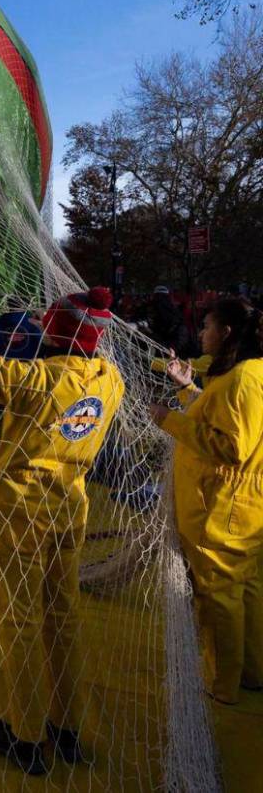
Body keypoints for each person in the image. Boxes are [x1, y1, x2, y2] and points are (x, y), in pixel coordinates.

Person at [0, 287, 124, 775]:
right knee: (64, 615)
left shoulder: (32, 378)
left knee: (20, 619)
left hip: (21, 511)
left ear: (53, 332)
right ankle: (69, 727)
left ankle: (28, 733)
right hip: (70, 506)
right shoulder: (110, 380)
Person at [151, 299, 263, 704]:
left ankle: (222, 683)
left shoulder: (242, 380)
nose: (201, 334)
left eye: (207, 326)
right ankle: (249, 672)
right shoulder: (243, 375)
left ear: (228, 332)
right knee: (244, 588)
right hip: (239, 504)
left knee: (219, 596)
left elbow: (232, 446)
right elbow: (217, 416)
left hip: (223, 506)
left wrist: (170, 420)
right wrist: (186, 390)